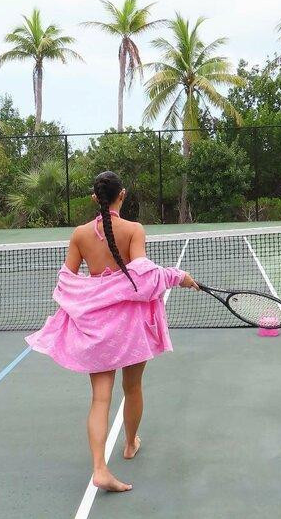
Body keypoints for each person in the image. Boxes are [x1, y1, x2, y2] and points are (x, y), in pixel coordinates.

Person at [27, 170, 197, 492]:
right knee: (133, 388)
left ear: (96, 198)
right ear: (123, 195)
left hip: (96, 329)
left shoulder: (80, 235)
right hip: (131, 327)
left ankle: (99, 468)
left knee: (100, 398)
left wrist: (92, 297)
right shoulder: (134, 230)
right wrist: (179, 277)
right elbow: (145, 277)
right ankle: (130, 444)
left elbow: (66, 283)